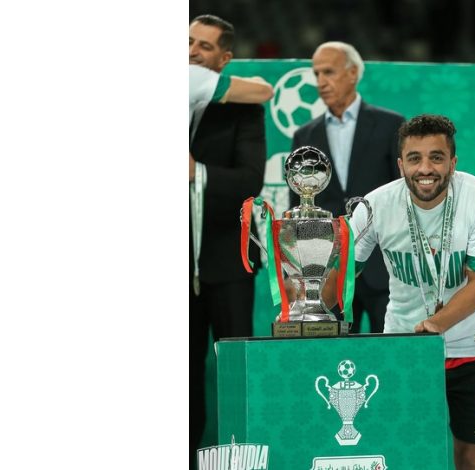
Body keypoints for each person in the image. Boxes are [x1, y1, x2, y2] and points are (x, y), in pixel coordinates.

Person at [327, 114, 475, 469]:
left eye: (436, 157)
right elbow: (342, 279)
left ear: (453, 162)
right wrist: (306, 303)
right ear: (400, 165)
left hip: (473, 346)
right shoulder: (375, 206)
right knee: (404, 450)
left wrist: (436, 324)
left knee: (472, 454)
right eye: (414, 158)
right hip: (404, 346)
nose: (425, 168)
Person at [188, 14, 271, 470]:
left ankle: (242, 463)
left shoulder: (243, 108)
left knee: (237, 372)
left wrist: (196, 173)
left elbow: (250, 182)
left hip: (228, 260)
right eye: (188, 41)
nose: (192, 51)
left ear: (225, 59)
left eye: (204, 46)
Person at [291, 41, 405, 333]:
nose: (320, 81)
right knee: (334, 356)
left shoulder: (391, 125)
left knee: (387, 353)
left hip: (383, 268)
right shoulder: (305, 136)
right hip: (328, 275)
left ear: (353, 73)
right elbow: (299, 210)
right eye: (316, 73)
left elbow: (402, 195)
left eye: (328, 72)